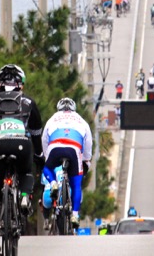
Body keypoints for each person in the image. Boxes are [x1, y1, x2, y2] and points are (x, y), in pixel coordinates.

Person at [0, 64, 44, 256]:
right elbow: (36, 133)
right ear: (20, 84)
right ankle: (23, 196)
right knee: (26, 172)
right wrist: (39, 156)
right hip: (22, 145)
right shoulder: (28, 102)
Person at [42, 98, 93, 229]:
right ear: (74, 109)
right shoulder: (81, 120)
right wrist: (86, 159)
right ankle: (75, 214)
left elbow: (44, 139)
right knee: (76, 184)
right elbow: (88, 143)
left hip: (55, 146)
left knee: (47, 168)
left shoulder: (53, 118)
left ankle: (53, 183)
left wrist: (47, 157)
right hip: (74, 149)